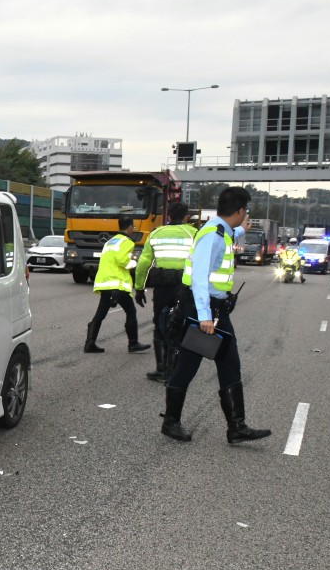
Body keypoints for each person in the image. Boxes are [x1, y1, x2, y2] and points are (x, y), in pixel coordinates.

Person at [159, 186, 271, 445]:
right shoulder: (212, 236)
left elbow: (230, 232)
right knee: (188, 364)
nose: (246, 217)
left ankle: (237, 427)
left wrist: (243, 229)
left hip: (216, 309)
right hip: (202, 309)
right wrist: (204, 316)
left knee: (230, 363)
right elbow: (199, 279)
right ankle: (171, 421)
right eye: (246, 213)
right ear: (241, 210)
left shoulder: (221, 231)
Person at [133, 201, 196, 381]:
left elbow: (143, 264)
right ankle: (175, 370)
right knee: (181, 326)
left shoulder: (156, 233)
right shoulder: (194, 234)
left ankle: (161, 369)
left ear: (168, 217)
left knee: (159, 326)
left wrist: (139, 288)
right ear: (186, 217)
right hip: (184, 288)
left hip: (162, 288)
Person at [83, 215, 150, 354]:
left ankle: (90, 343)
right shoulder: (127, 242)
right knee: (131, 311)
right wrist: (134, 264)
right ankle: (133, 343)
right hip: (118, 284)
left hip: (105, 283)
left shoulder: (110, 241)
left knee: (100, 314)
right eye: (133, 227)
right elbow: (122, 260)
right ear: (130, 227)